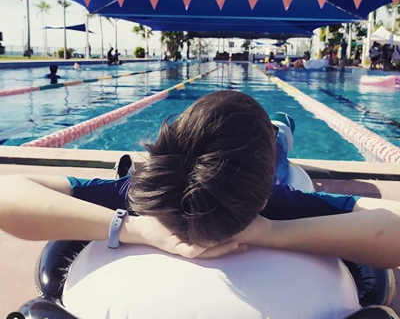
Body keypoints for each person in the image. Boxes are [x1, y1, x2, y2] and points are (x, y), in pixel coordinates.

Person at [1, 91, 400, 268]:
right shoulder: (278, 203)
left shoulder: (143, 194)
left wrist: (136, 227)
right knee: (276, 134)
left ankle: (276, 129)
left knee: (277, 132)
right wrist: (270, 231)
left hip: (248, 147)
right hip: (259, 152)